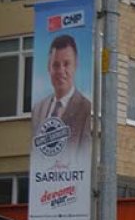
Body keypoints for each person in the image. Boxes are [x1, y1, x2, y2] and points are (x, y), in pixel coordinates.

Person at [31, 35, 92, 163]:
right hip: (43, 180)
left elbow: (84, 156)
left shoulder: (85, 109)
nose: (61, 71)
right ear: (49, 67)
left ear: (76, 65)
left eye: (66, 64)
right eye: (56, 65)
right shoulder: (38, 109)